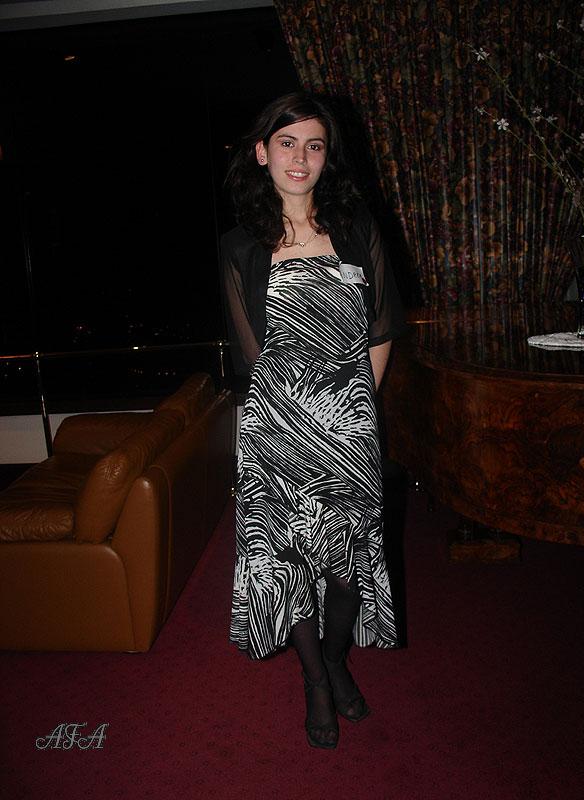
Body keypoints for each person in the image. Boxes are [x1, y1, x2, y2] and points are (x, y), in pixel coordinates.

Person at [221, 92, 404, 749]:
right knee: (291, 560)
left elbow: (381, 327)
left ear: (328, 158)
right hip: (275, 430)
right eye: (287, 142)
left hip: (348, 426)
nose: (300, 157)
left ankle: (334, 657)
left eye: (314, 145)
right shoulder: (240, 247)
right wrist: (290, 425)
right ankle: (318, 679)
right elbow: (251, 358)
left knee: (347, 563)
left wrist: (354, 411)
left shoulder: (356, 230)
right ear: (261, 153)